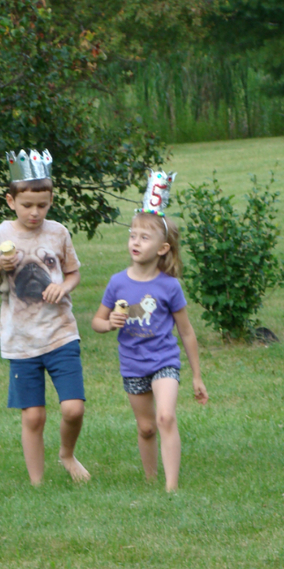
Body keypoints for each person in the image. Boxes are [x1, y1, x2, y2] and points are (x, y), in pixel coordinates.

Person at [0, 149, 89, 485]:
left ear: (51, 201)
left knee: (73, 408)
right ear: (11, 201)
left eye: (42, 205)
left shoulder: (58, 232)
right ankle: (37, 484)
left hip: (61, 332)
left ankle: (67, 454)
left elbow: (73, 273)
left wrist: (64, 287)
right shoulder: (1, 234)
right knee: (33, 416)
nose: (35, 212)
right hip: (21, 340)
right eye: (27, 205)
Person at [92, 169, 208, 492]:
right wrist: (109, 324)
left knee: (165, 417)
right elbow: (97, 322)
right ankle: (150, 480)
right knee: (146, 428)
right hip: (132, 364)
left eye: (145, 237)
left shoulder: (169, 286)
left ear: (162, 248)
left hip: (164, 361)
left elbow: (186, 332)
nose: (135, 241)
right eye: (133, 235)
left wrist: (197, 376)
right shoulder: (117, 282)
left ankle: (171, 488)